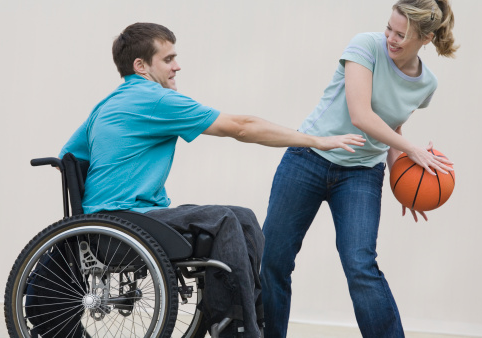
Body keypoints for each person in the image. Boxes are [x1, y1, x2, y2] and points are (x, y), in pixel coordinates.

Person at [56, 23, 365, 338]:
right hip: (123, 225)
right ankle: (233, 328)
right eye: (168, 59)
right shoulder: (153, 100)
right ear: (141, 66)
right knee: (222, 219)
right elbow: (242, 126)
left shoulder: (107, 105)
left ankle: (254, 320)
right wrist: (315, 140)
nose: (177, 66)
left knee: (243, 217)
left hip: (107, 224)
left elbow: (69, 156)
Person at [259, 0, 458, 337]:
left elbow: (392, 130)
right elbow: (361, 116)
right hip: (308, 158)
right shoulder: (365, 45)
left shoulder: (427, 85)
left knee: (360, 265)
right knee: (274, 260)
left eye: (402, 35)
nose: (391, 39)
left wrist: (403, 182)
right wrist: (413, 151)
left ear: (425, 38)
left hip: (361, 173)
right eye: (389, 29)